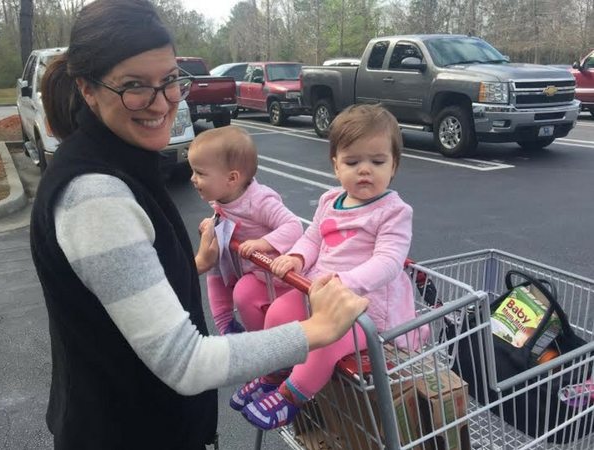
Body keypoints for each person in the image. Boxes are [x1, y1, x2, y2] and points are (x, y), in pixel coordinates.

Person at [29, 1, 369, 449]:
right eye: (135, 86)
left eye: (169, 80)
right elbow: (185, 361)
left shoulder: (120, 160)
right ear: (87, 89)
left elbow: (117, 294)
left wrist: (194, 266)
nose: (162, 102)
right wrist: (317, 331)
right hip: (127, 433)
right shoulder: (96, 196)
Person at [232, 104, 427, 430]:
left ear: (394, 165)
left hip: (362, 305)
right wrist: (296, 258)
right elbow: (312, 239)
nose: (365, 170)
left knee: (327, 341)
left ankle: (292, 396)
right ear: (336, 165)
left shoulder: (394, 212)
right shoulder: (329, 201)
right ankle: (275, 373)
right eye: (353, 162)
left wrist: (344, 282)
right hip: (315, 289)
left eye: (377, 162)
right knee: (278, 313)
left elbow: (388, 262)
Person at [189, 126, 303, 335]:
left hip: (272, 275)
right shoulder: (224, 198)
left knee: (244, 293)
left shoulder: (259, 201)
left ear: (232, 179)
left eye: (200, 173)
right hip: (245, 268)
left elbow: (294, 225)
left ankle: (263, 345)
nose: (192, 179)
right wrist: (212, 222)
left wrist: (262, 244)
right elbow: (226, 216)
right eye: (193, 171)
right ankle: (226, 324)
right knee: (215, 270)